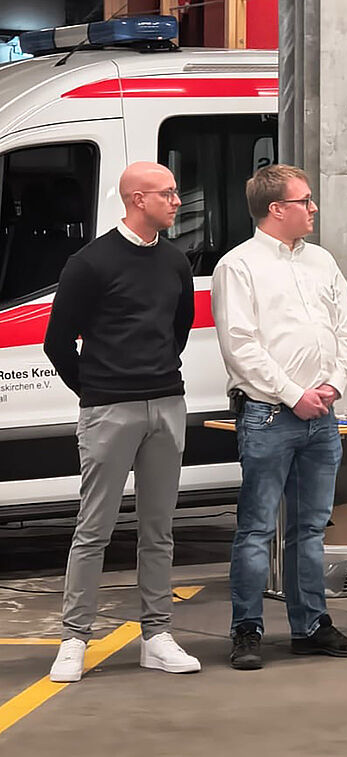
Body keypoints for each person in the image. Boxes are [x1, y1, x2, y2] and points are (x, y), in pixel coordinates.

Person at [44, 161, 200, 682]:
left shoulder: (174, 261)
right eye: (167, 193)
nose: (177, 201)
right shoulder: (89, 263)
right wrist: (96, 392)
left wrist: (156, 376)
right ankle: (74, 638)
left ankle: (157, 635)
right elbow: (57, 341)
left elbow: (179, 328)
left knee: (159, 529)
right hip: (109, 409)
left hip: (166, 403)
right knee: (94, 529)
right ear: (137, 199)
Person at [211, 164, 347, 670]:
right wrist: (294, 393)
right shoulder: (238, 266)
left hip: (322, 415)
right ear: (276, 209)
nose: (314, 208)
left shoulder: (322, 261)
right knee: (257, 528)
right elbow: (240, 346)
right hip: (268, 414)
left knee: (311, 528)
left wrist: (334, 385)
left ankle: (311, 626)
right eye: (305, 201)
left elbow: (346, 329)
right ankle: (247, 630)